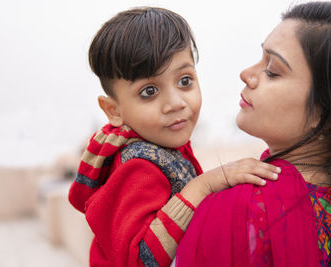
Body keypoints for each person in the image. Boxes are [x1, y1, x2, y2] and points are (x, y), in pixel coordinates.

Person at [175, 2, 331, 266]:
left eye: (272, 71)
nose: (246, 74)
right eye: (260, 58)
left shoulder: (243, 208)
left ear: (328, 114)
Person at [68, 7, 280, 267]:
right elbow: (142, 259)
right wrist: (206, 184)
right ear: (114, 110)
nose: (175, 103)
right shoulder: (138, 166)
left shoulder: (160, 142)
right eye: (149, 91)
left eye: (184, 81)